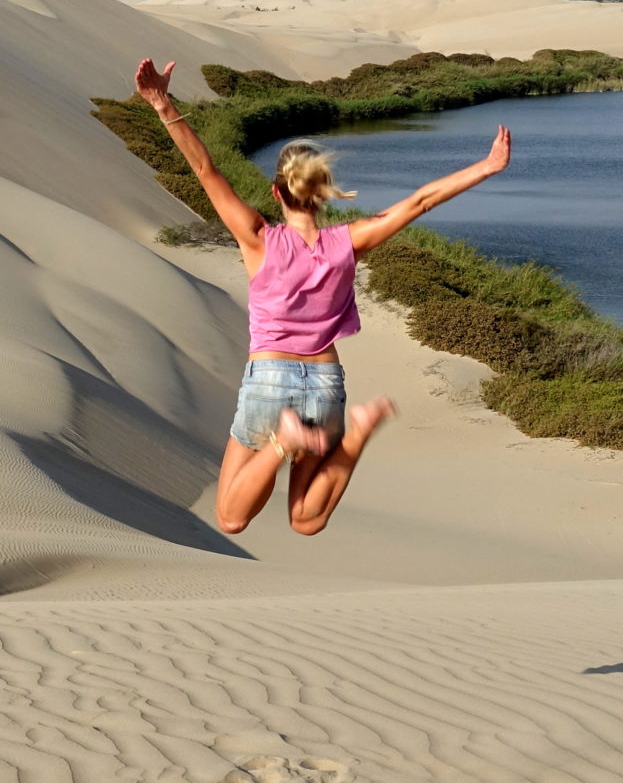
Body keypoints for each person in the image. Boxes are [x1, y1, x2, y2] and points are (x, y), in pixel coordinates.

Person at [133, 58, 512, 536]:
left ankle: (280, 444)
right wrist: (488, 165)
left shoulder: (258, 238)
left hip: (269, 378)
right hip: (326, 385)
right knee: (306, 520)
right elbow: (420, 202)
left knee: (231, 517)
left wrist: (162, 104)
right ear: (322, 196)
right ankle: (356, 431)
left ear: (277, 193)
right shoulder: (349, 241)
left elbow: (205, 170)